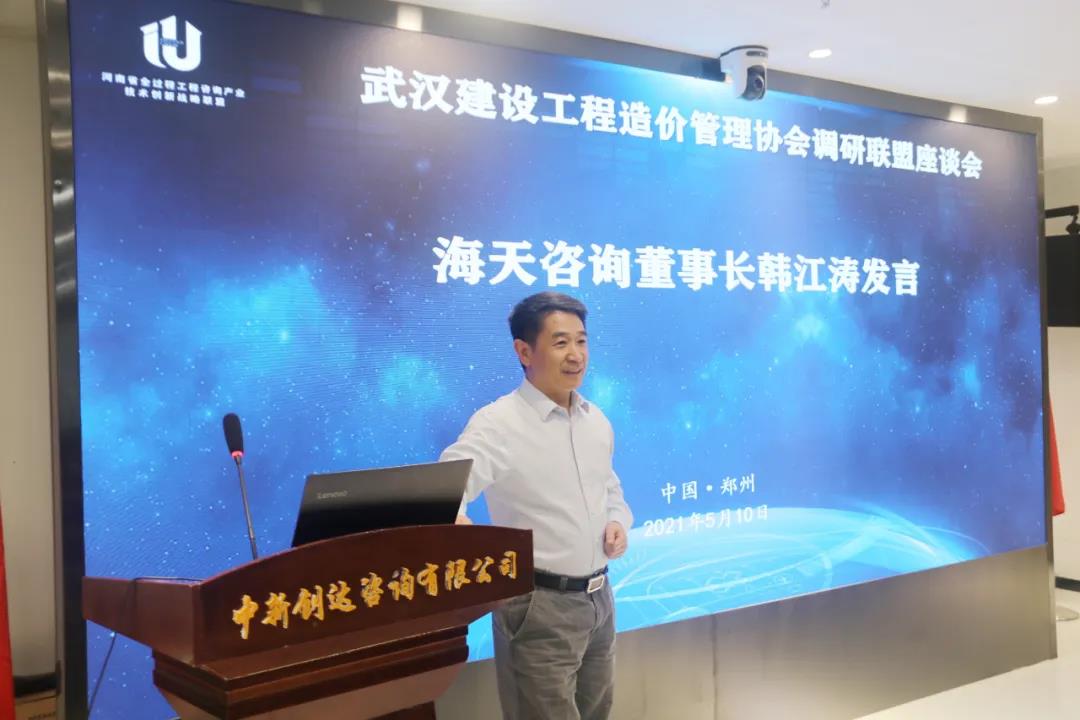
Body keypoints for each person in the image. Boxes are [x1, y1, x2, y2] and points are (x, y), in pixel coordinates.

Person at [440, 291, 633, 720]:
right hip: (537, 605)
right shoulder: (499, 423)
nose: (576, 355)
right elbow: (445, 489)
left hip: (600, 599)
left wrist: (617, 520)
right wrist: (459, 526)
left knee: (597, 711)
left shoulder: (595, 420)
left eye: (581, 341)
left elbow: (610, 489)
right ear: (524, 351)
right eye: (561, 342)